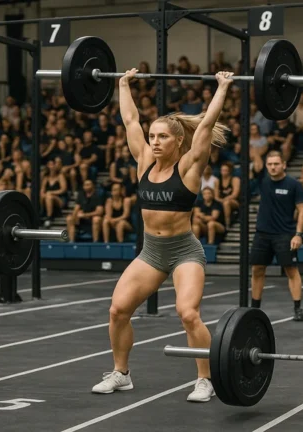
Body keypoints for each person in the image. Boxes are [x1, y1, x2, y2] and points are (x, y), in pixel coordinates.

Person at [91, 69, 233, 402]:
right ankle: (121, 374)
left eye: (162, 137)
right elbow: (130, 120)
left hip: (184, 251)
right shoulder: (144, 162)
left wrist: (223, 87)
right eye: (152, 136)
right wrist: (122, 84)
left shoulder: (189, 166)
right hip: (151, 252)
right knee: (117, 311)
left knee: (188, 313)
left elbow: (206, 126)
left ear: (178, 141)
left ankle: (205, 379)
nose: (154, 142)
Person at [249, 150, 303, 320]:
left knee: (291, 270)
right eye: (270, 164)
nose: (273, 167)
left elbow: (302, 210)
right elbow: (254, 156)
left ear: (284, 165)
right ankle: (255, 308)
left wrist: (298, 234)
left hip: (285, 234)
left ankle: (298, 309)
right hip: (262, 233)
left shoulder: (293, 184)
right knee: (257, 269)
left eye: (276, 164)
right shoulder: (263, 181)